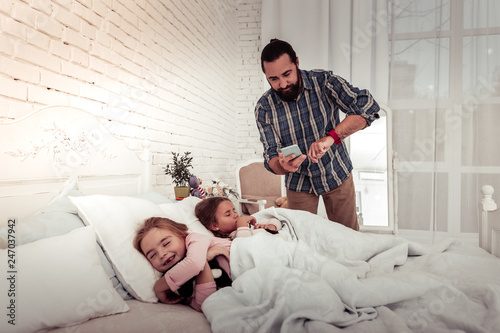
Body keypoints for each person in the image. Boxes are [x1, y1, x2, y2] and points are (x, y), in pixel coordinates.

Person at [254, 39, 380, 231]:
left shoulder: (324, 82)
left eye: (287, 74)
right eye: (273, 79)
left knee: (348, 240)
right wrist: (281, 165)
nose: (283, 84)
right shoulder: (264, 108)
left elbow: (368, 107)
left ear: (296, 62)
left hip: (336, 171)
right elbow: (270, 156)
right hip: (298, 182)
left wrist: (331, 138)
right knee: (303, 243)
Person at [133, 217, 231, 312]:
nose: (162, 254)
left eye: (166, 243)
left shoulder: (194, 239)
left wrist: (159, 286)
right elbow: (205, 304)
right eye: (153, 255)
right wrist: (204, 261)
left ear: (182, 236)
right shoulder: (182, 279)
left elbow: (195, 263)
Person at [195, 197, 282, 239]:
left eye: (234, 211)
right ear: (214, 225)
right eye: (228, 214)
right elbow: (245, 243)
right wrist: (242, 222)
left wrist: (271, 226)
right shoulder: (232, 237)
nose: (236, 215)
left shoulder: (249, 223)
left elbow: (276, 220)